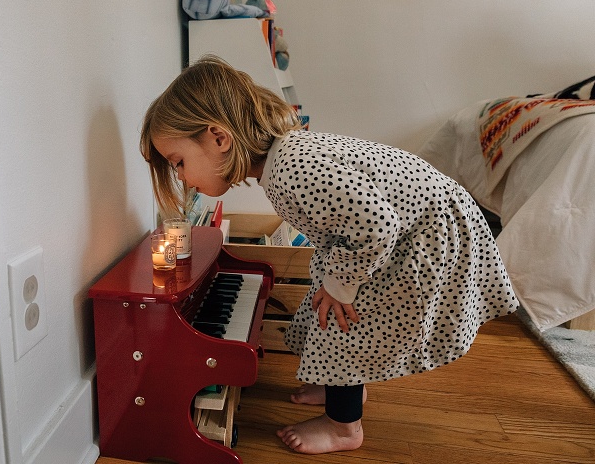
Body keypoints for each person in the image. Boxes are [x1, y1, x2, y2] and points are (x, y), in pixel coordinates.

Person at [139, 56, 518, 455]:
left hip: (420, 238)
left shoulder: (292, 170)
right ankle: (337, 384)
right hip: (399, 232)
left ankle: (344, 427)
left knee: (343, 322)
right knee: (325, 304)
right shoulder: (283, 160)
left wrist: (342, 285)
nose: (180, 176)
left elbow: (375, 226)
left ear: (219, 138)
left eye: (179, 163)